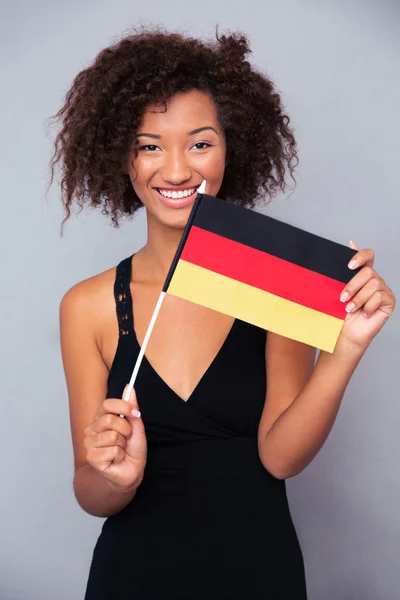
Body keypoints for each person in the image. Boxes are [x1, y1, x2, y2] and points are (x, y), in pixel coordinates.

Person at [50, 27, 396, 599]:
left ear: (232, 147)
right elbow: (90, 492)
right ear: (123, 158)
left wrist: (347, 346)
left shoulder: (271, 283)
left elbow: (280, 458)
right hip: (133, 574)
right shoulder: (86, 305)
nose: (178, 170)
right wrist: (116, 476)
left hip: (258, 569)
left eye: (201, 143)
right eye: (150, 145)